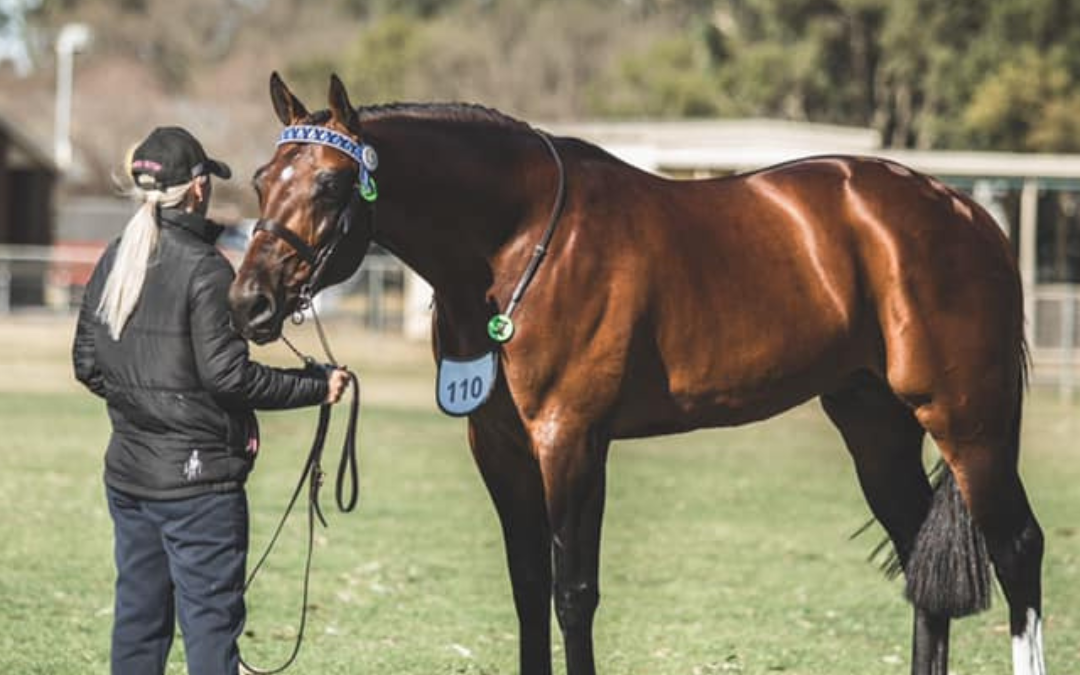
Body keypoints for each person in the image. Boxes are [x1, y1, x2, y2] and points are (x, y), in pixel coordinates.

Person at [72, 126, 350, 675]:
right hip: (200, 490)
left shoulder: (114, 256)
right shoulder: (206, 268)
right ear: (197, 188)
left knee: (137, 623)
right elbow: (229, 379)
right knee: (210, 632)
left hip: (129, 476)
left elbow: (88, 365)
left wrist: (151, 412)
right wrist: (318, 386)